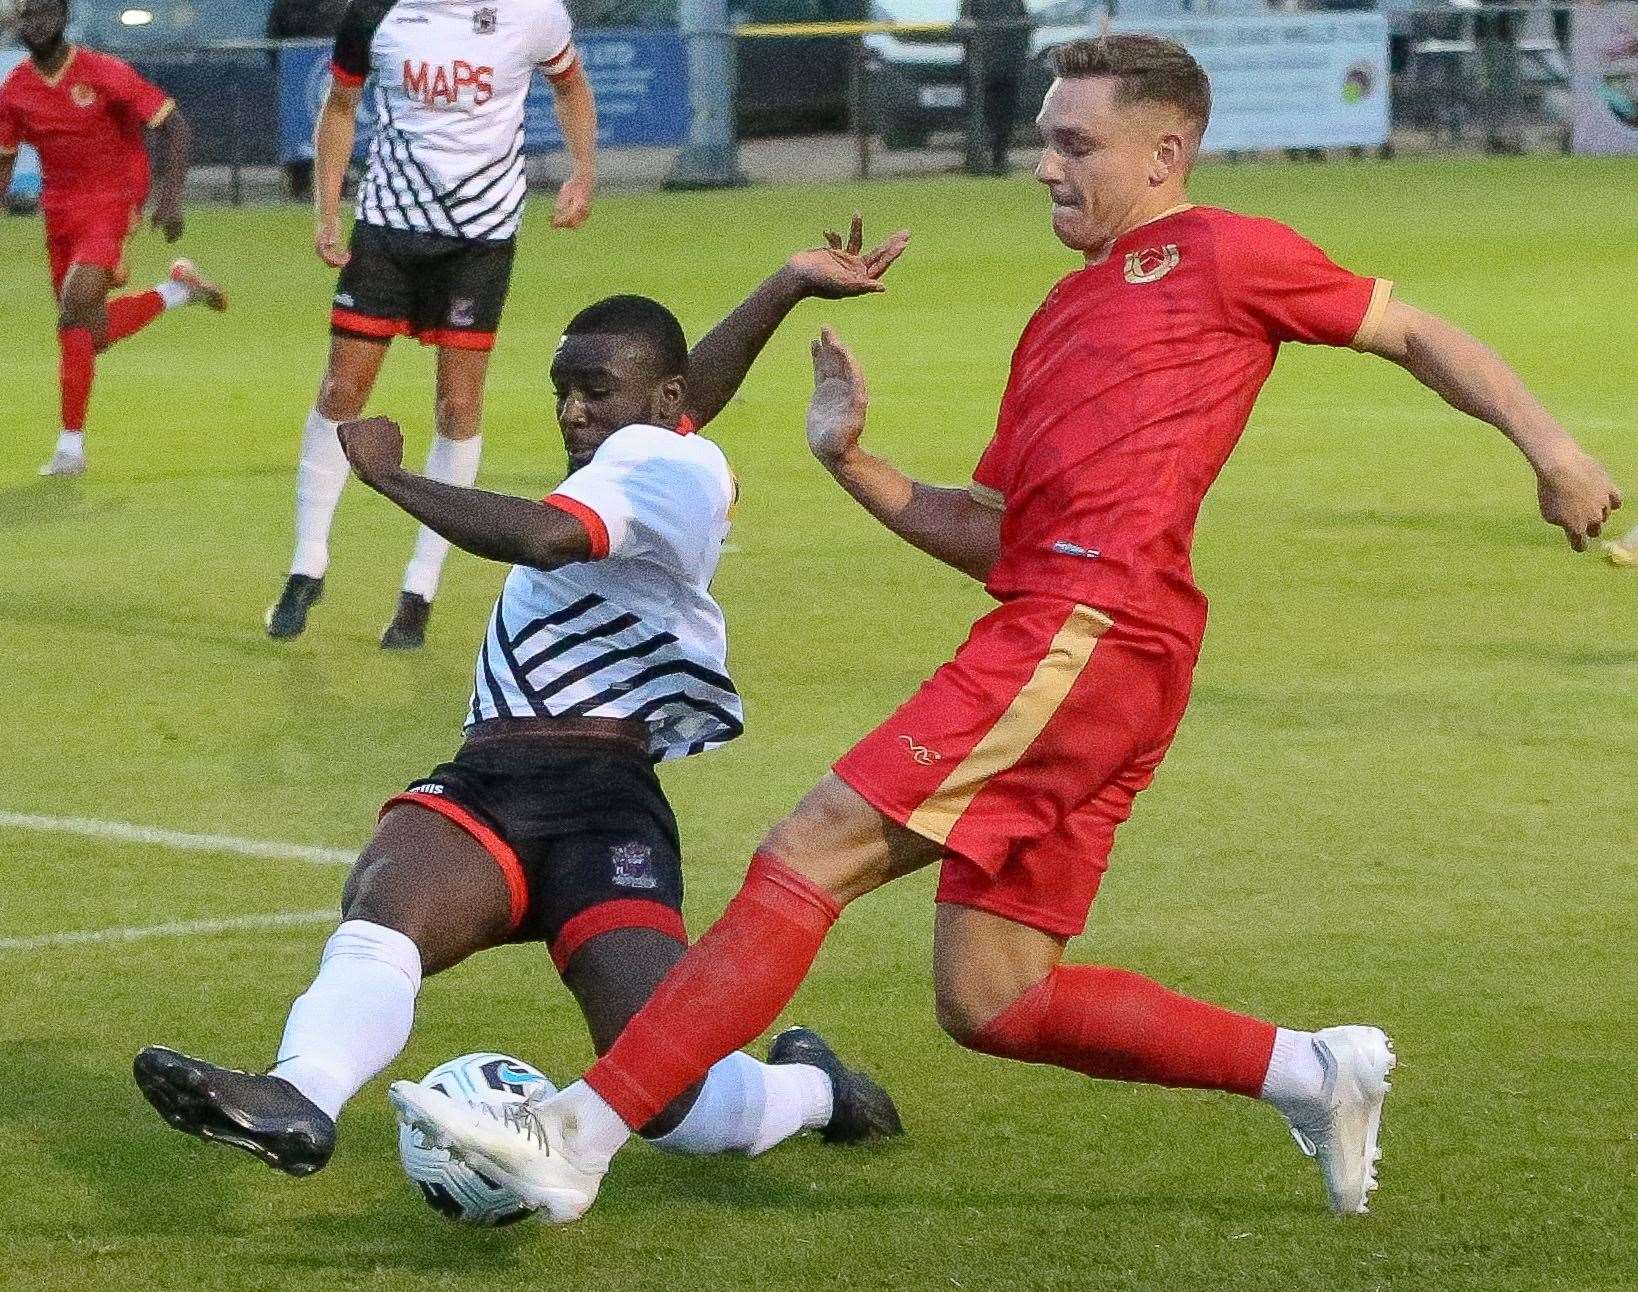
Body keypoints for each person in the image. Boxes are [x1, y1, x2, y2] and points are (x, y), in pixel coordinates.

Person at [389, 35, 1624, 1223]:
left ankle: (574, 1138)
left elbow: (1412, 330)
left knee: (811, 848)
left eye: (1075, 143)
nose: (1045, 165)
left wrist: (1553, 449)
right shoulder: (1057, 320)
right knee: (993, 996)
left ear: (1165, 152)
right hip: (1088, 641)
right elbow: (991, 531)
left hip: (1093, 630)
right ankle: (1315, 1070)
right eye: (1043, 141)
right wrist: (852, 460)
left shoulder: (1224, 253)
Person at [133, 221, 914, 1183]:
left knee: (667, 1098)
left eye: (595, 392)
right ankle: (300, 1094)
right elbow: (674, 395)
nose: (573, 413)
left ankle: (816, 1088)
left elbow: (548, 538)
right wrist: (785, 281)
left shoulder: (670, 468)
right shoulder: (650, 449)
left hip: (600, 797)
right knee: (388, 902)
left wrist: (389, 475)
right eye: (562, 393)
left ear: (657, 403)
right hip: (494, 779)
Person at [266, 0, 599, 651]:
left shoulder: (533, 13)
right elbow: (340, 106)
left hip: (479, 241)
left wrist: (584, 169)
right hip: (388, 229)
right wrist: (326, 209)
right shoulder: (376, 13)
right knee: (341, 392)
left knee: (458, 404)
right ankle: (307, 562)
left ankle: (419, 588)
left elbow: (572, 87)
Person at [0, 0, 226, 478]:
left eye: (45, 14)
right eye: (27, 16)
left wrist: (169, 195)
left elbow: (174, 124)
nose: (36, 24)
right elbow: (4, 156)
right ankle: (176, 291)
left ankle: (69, 448)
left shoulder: (103, 72)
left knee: (75, 304)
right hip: (59, 211)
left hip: (114, 199)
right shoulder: (16, 88)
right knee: (87, 331)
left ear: (63, 17)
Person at [264, 0, 349, 202]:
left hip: (336, 79)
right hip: (296, 86)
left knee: (336, 132)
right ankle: (300, 186)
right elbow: (273, 43)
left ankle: (338, 186)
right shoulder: (286, 6)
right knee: (299, 136)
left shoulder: (341, 5)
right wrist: (288, 70)